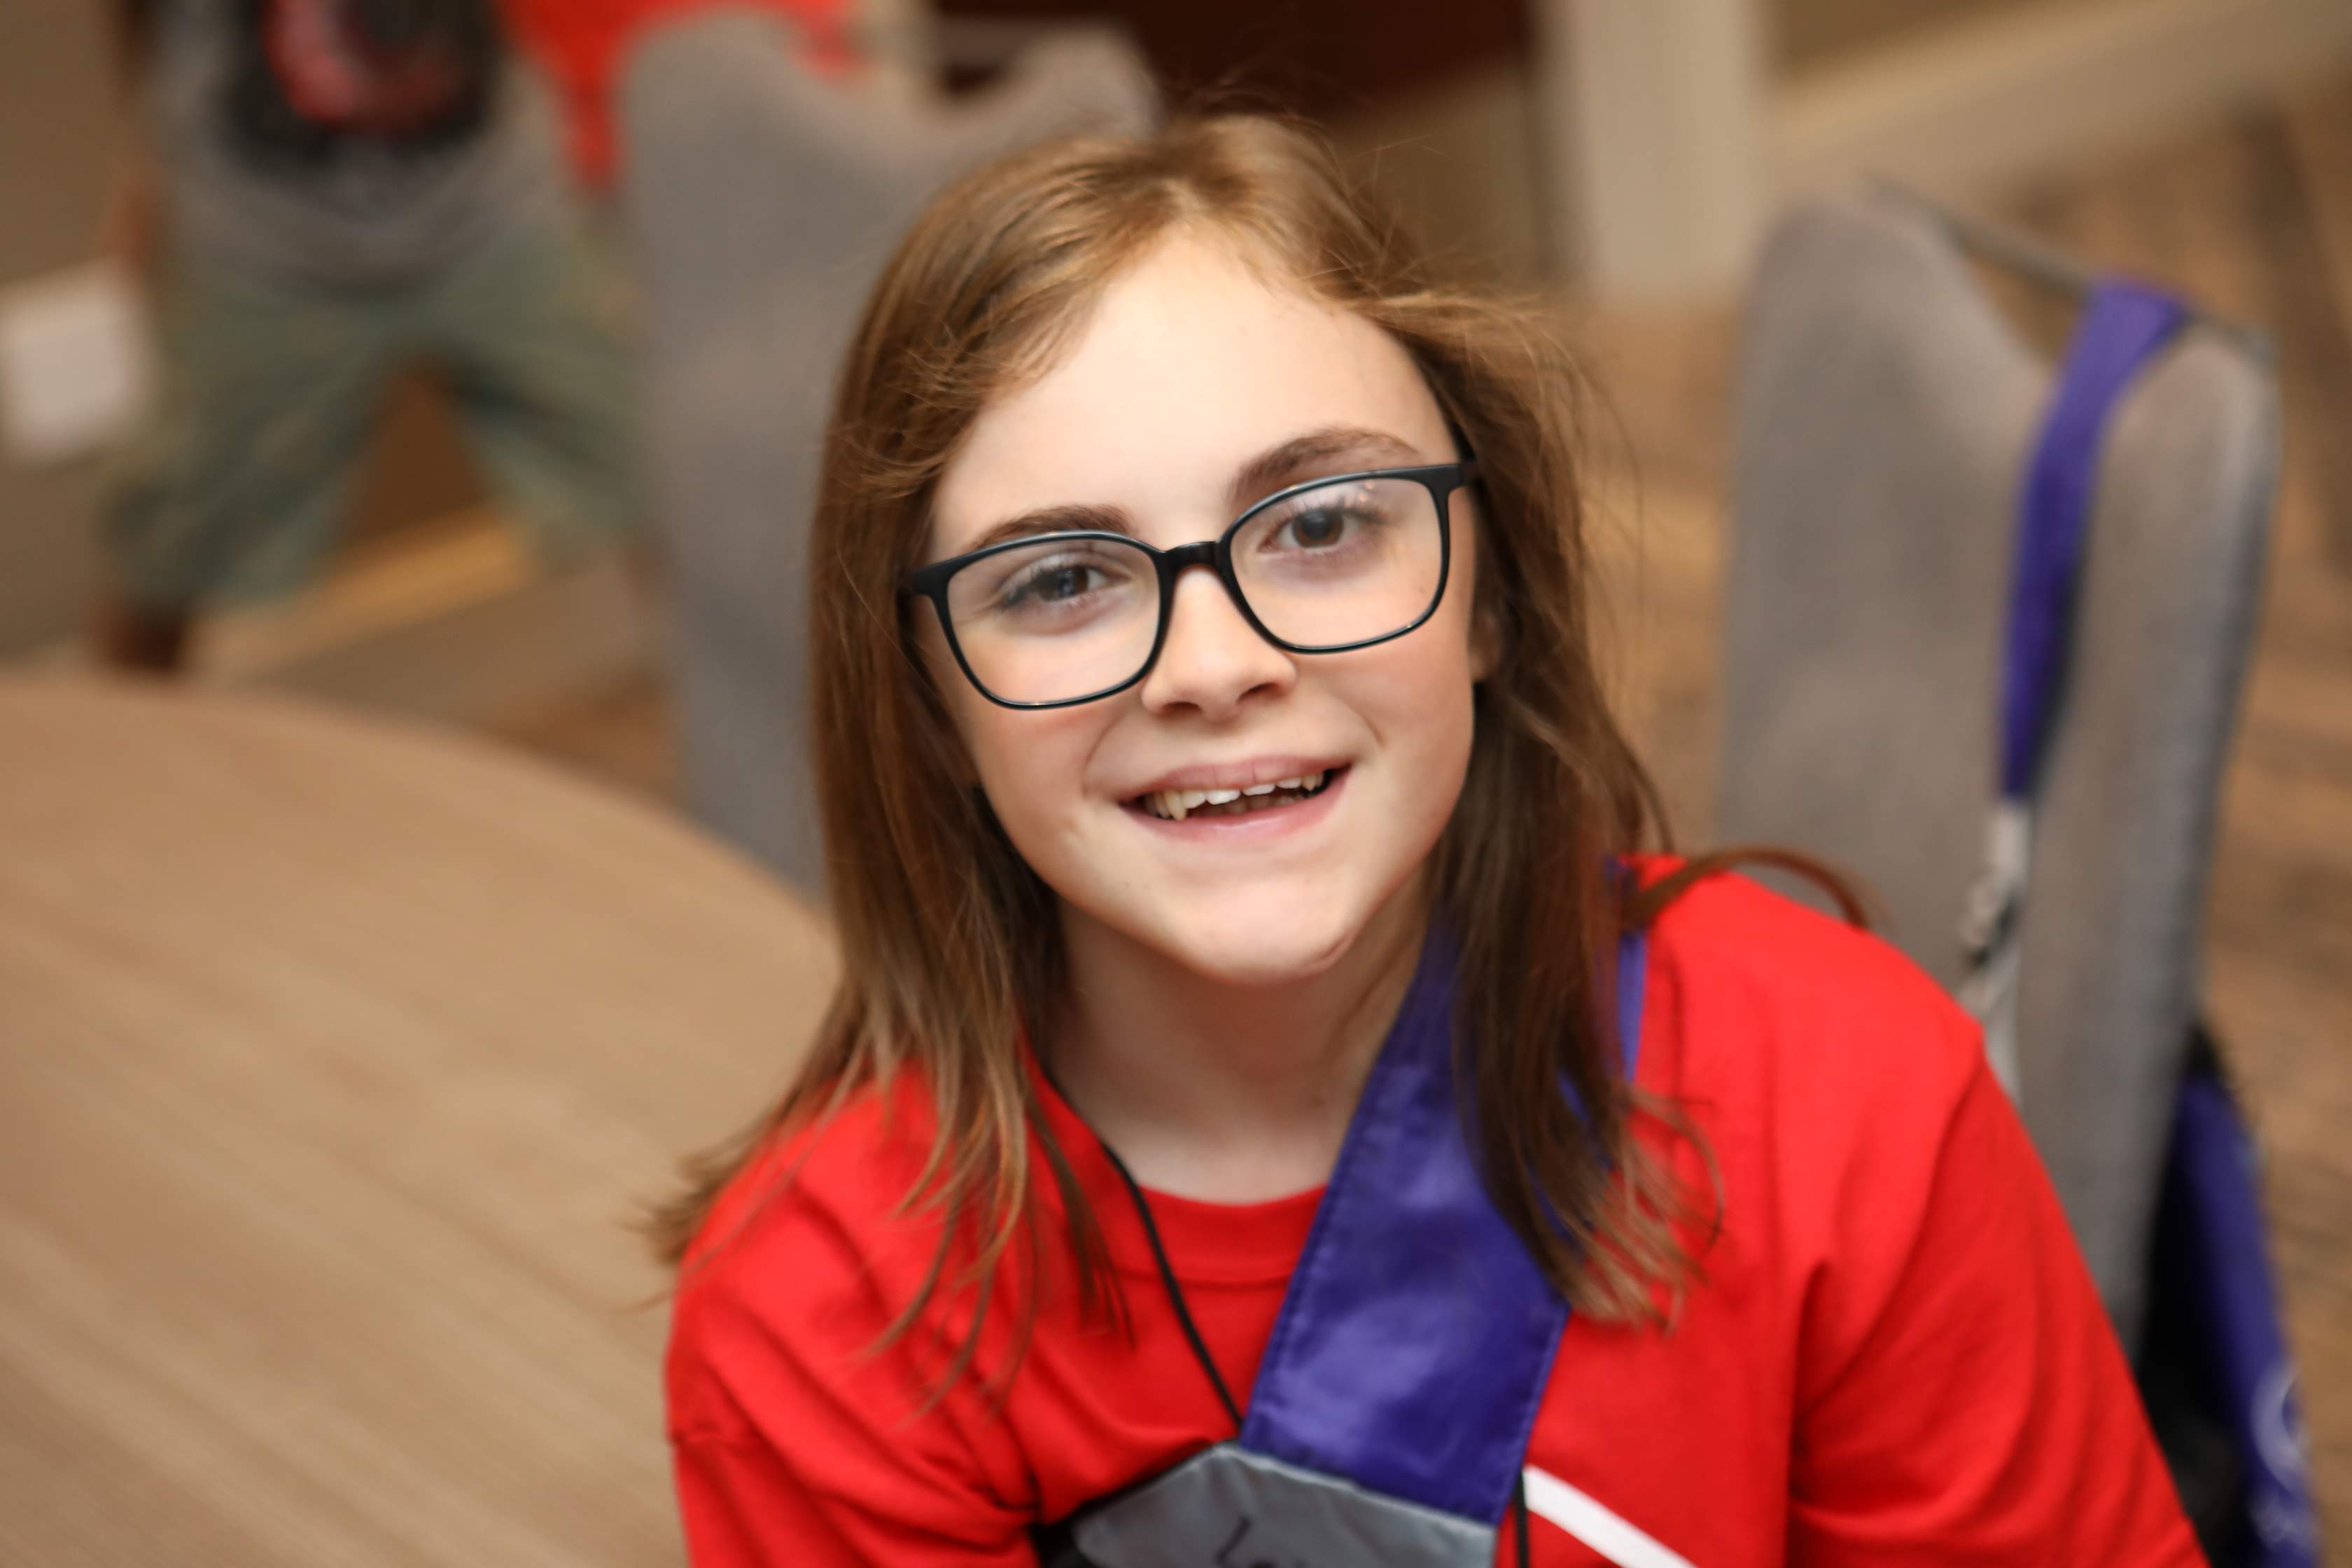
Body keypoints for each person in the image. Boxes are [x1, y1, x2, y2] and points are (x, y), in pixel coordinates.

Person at [657, 117, 2204, 1566]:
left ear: (1491, 594)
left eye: (1322, 526)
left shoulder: (1845, 1101)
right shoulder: (832, 1322)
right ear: (928, 702)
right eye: (1061, 580)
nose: (1211, 664)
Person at [96, 0, 635, 673]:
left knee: (658, 473)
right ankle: (119, 734)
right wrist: (145, 175)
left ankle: (756, 732)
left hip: (499, 211)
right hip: (257, 245)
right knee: (174, 540)